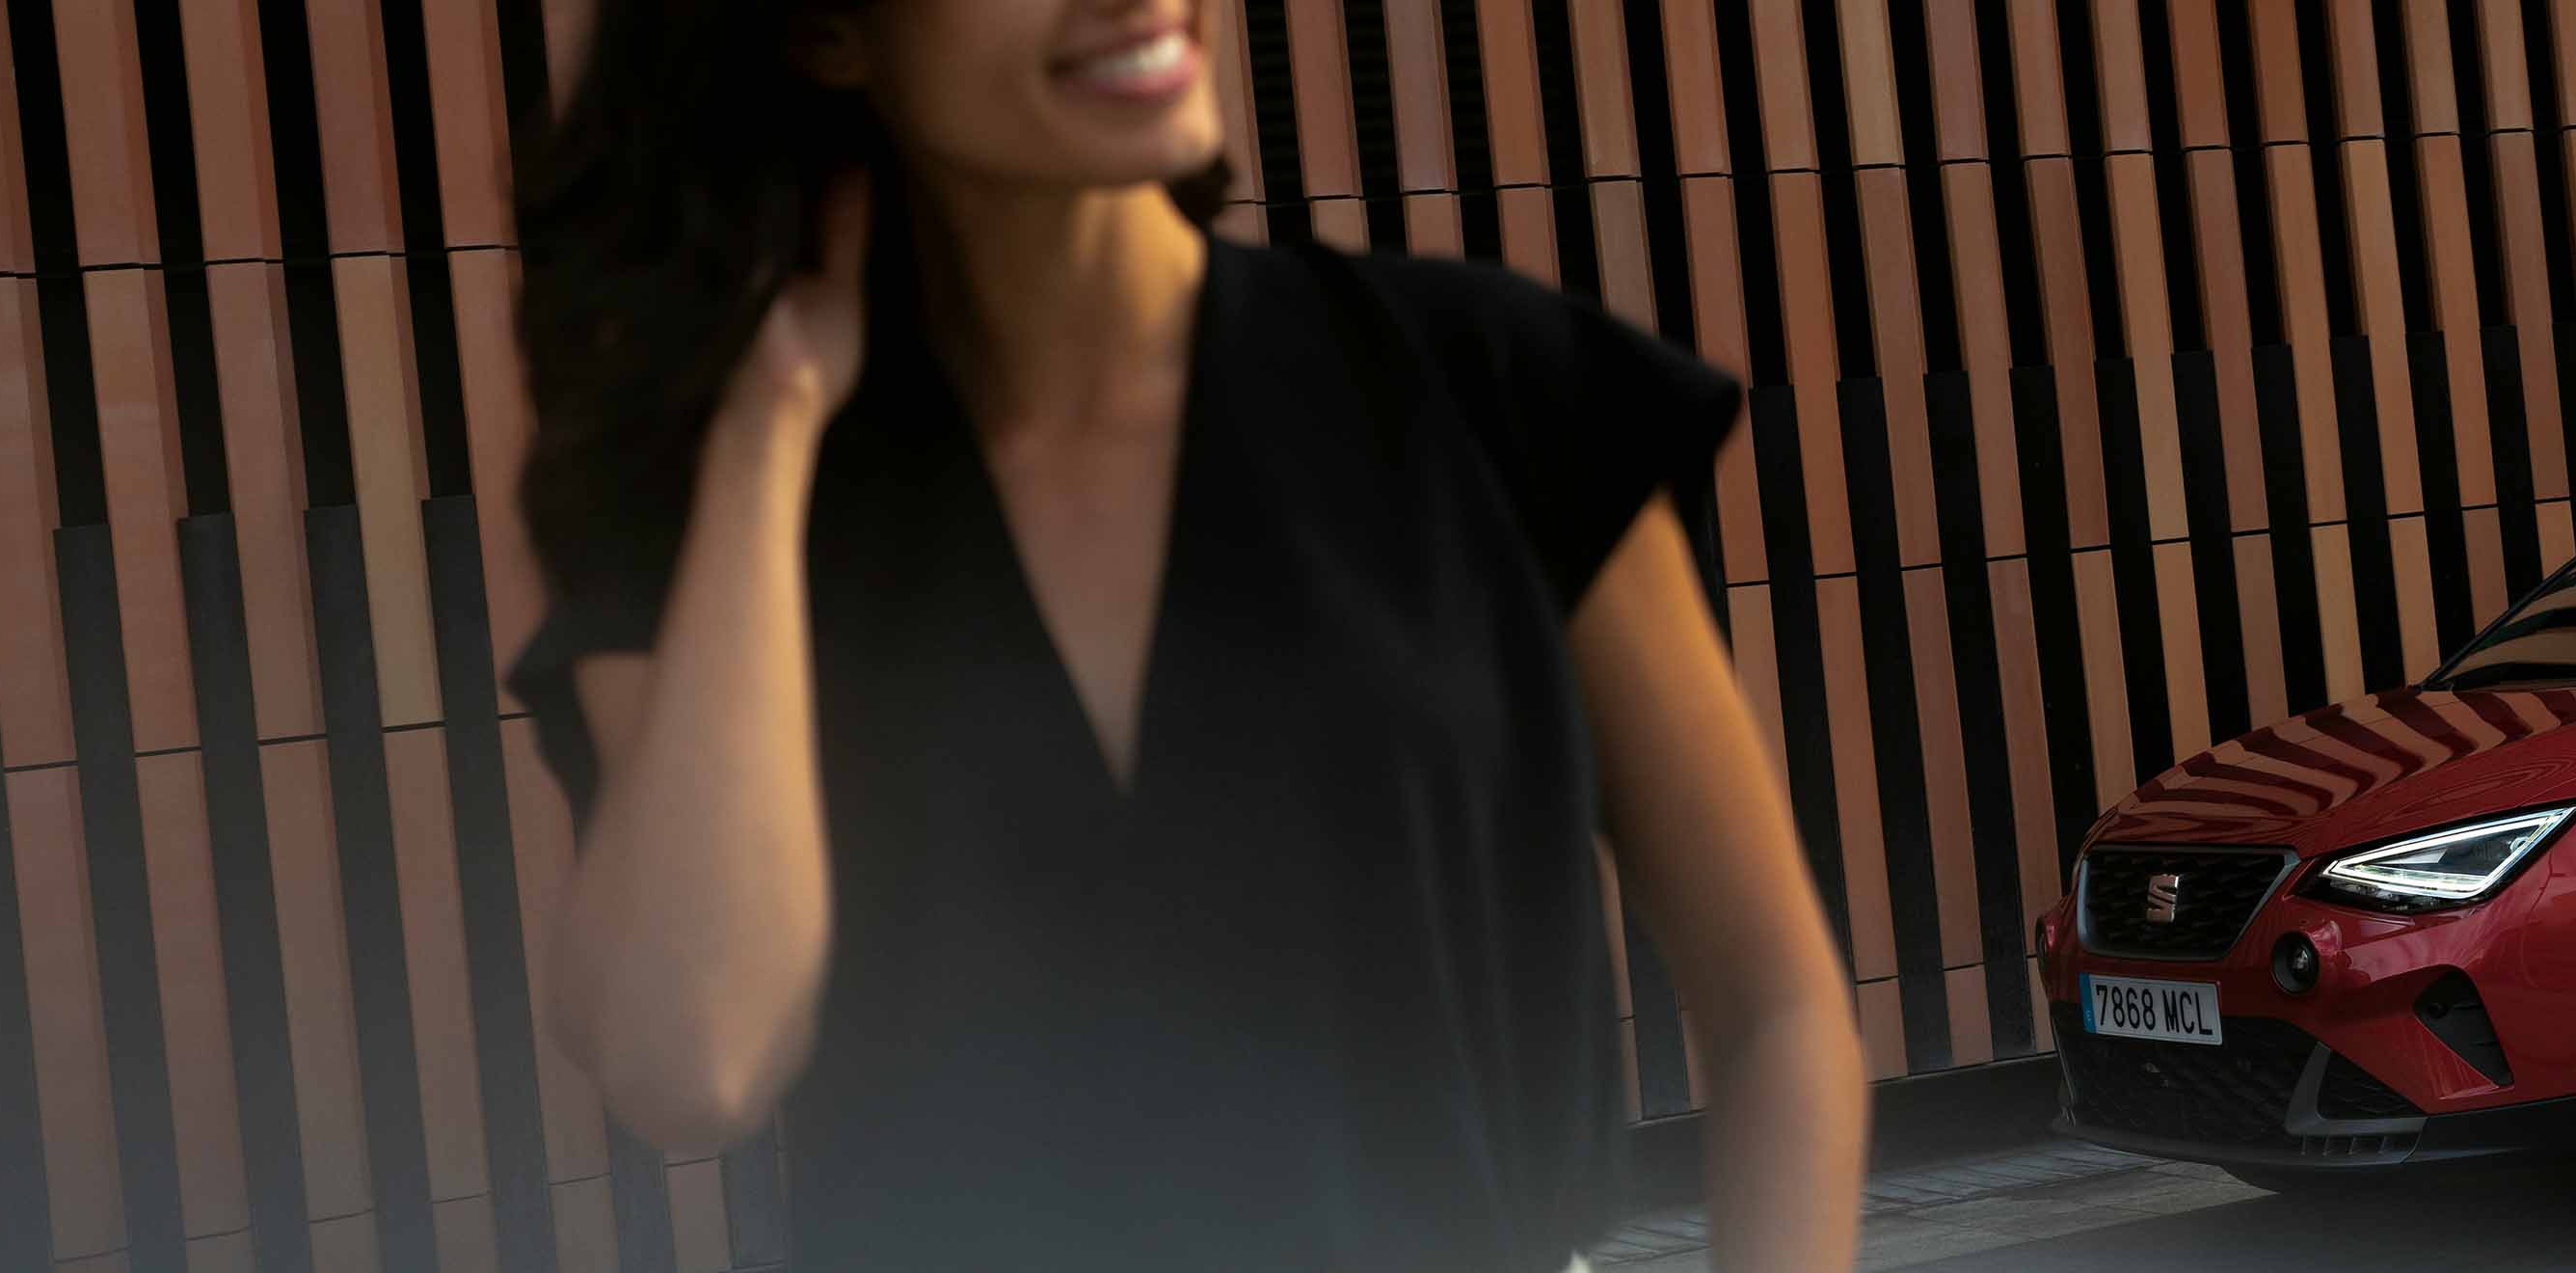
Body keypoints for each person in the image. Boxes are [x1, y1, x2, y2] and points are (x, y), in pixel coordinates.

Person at [499, 1, 1865, 1269]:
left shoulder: (1498, 392)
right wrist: (764, 434)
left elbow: (1778, 1012)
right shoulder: (716, 511)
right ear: (832, 26)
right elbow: (693, 1062)